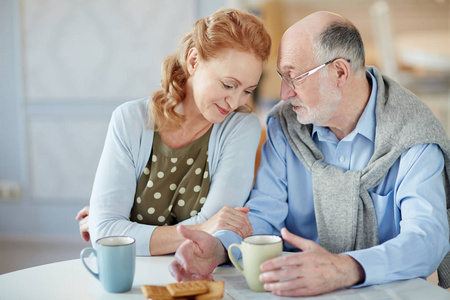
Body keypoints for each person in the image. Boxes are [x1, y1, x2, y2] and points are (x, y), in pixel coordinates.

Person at [169, 11, 450, 296]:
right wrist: (219, 248)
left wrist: (343, 268)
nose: (284, 94)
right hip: (293, 290)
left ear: (339, 72)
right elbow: (265, 214)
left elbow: (427, 239)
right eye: (282, 77)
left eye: (293, 77)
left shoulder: (413, 134)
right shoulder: (285, 125)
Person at [83, 8, 271, 256]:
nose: (235, 101)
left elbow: (220, 231)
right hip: (132, 276)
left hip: (198, 273)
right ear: (194, 61)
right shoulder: (129, 120)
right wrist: (203, 227)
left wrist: (125, 232)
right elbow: (105, 232)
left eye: (247, 90)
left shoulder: (241, 127)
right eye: (228, 85)